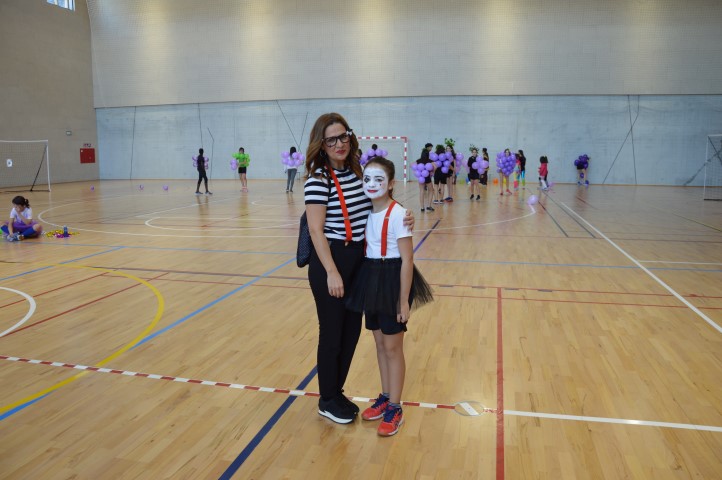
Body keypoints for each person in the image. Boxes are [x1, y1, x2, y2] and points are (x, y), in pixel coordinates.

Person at [303, 113, 414, 425]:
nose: (339, 143)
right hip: (332, 261)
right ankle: (327, 399)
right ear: (321, 145)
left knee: (351, 333)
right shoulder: (318, 181)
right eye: (331, 140)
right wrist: (331, 272)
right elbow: (315, 230)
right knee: (332, 333)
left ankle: (336, 392)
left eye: (343, 136)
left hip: (359, 262)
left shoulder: (356, 174)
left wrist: (405, 215)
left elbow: (380, 204)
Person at [346, 157, 433, 436]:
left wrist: (403, 300)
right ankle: (385, 396)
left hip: (392, 280)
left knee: (393, 348)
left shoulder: (399, 214)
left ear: (391, 183)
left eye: (379, 179)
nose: (371, 184)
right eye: (367, 179)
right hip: (370, 278)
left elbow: (407, 259)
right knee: (380, 343)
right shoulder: (366, 210)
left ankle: (395, 406)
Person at [417, 143, 434, 212]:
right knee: (431, 190)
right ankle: (429, 206)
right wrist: (432, 171)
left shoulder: (418, 161)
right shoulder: (430, 161)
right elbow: (435, 167)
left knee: (421, 191)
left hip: (421, 177)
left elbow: (412, 165)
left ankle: (422, 207)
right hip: (427, 177)